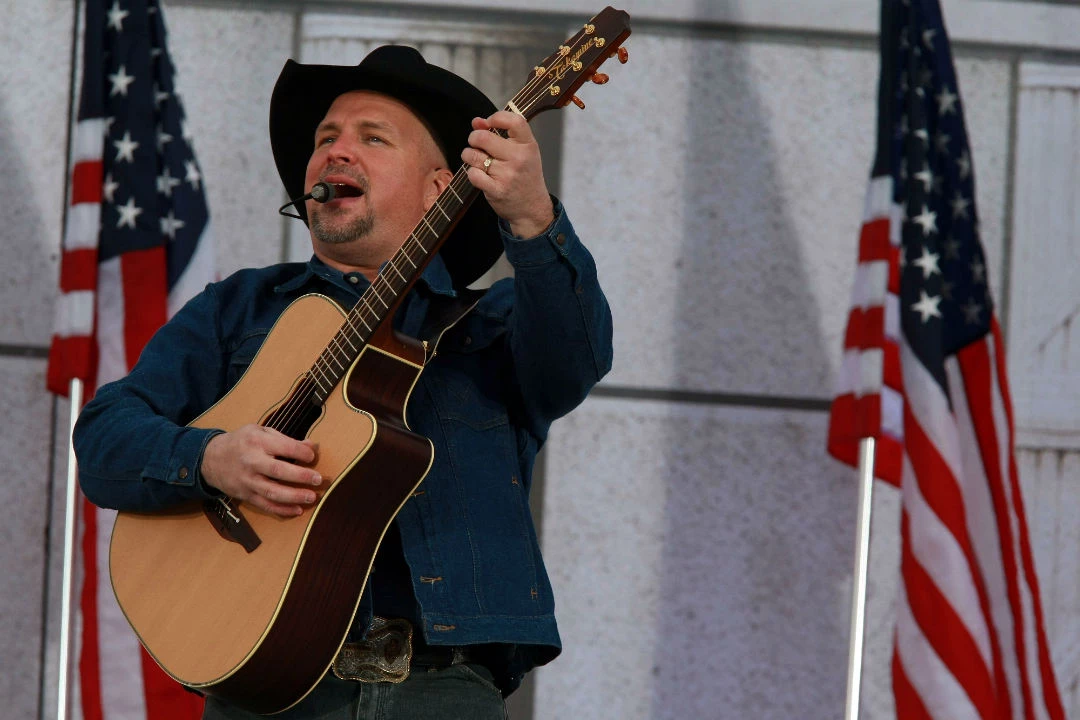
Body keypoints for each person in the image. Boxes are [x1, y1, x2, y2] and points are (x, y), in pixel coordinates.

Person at [73, 45, 613, 719]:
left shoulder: (496, 323)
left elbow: (577, 358)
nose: (336, 151)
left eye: (372, 138)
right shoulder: (238, 308)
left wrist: (534, 218)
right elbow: (102, 437)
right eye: (326, 138)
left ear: (440, 188)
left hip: (441, 689)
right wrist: (210, 459)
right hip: (265, 687)